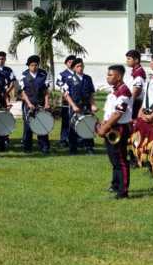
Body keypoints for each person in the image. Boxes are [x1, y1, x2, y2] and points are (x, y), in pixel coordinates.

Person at [97, 65, 133, 199]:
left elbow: (118, 113)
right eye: (108, 74)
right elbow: (109, 111)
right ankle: (116, 184)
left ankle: (123, 191)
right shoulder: (114, 90)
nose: (107, 77)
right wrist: (104, 123)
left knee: (121, 159)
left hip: (119, 128)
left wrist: (105, 128)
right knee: (113, 158)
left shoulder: (123, 92)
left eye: (110, 75)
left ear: (119, 76)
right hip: (111, 126)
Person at [62, 57, 95, 154]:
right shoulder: (69, 79)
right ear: (74, 68)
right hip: (75, 106)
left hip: (86, 106)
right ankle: (73, 148)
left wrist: (93, 105)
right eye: (78, 66)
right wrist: (73, 105)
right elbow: (66, 94)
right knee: (73, 127)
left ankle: (89, 147)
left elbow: (91, 93)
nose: (80, 68)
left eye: (81, 66)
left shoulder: (88, 78)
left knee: (88, 126)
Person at [20, 55, 51, 153]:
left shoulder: (44, 74)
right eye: (32, 65)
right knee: (28, 126)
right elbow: (23, 92)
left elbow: (46, 91)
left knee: (42, 124)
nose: (34, 67)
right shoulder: (24, 75)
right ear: (28, 66)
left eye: (36, 65)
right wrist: (29, 104)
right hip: (28, 104)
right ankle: (27, 147)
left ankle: (44, 147)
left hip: (41, 103)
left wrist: (47, 103)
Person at [56, 55, 77, 148]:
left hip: (77, 101)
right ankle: (63, 139)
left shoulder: (78, 74)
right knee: (66, 121)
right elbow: (59, 83)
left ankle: (77, 139)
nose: (71, 63)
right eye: (69, 62)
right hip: (66, 101)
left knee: (77, 120)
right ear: (66, 63)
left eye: (73, 62)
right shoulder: (62, 74)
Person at [125, 50, 146, 118]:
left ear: (136, 60)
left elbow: (136, 90)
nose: (127, 61)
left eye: (129, 59)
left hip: (136, 102)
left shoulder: (138, 73)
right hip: (134, 101)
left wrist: (129, 104)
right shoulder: (135, 70)